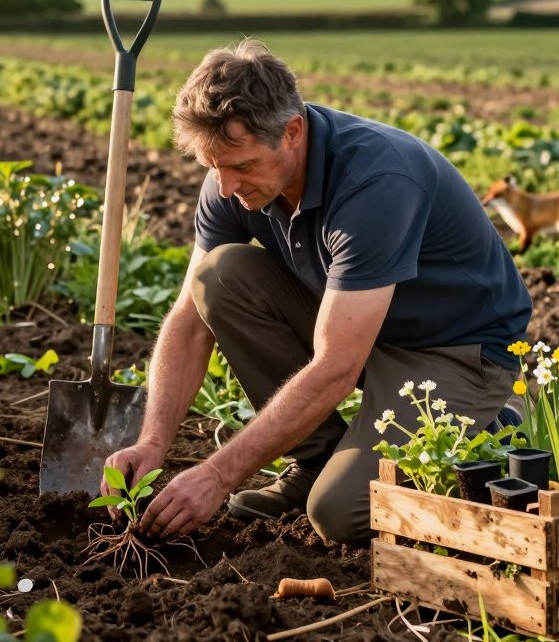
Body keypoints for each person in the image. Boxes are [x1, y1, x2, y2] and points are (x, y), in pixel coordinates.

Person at [100, 38, 532, 545]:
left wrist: (218, 475)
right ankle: (318, 459)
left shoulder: (375, 180)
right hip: (358, 325)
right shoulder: (228, 179)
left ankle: (490, 433)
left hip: (453, 352)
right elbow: (188, 321)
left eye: (241, 166)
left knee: (339, 514)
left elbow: (335, 367)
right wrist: (152, 443)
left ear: (293, 132)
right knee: (218, 275)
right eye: (211, 165)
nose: (225, 186)